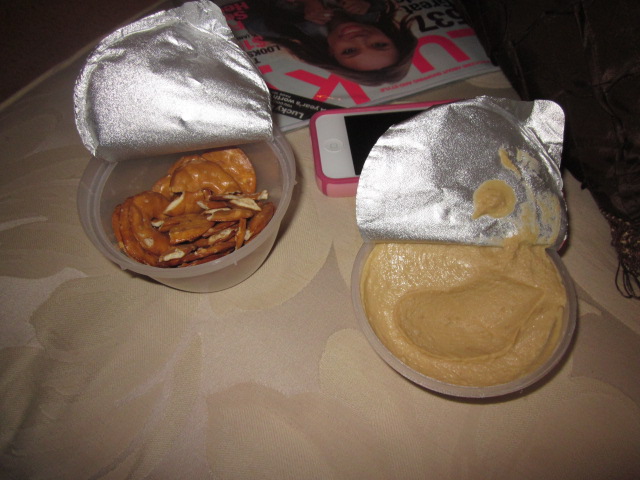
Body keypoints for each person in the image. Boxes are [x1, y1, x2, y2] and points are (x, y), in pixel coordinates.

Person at [243, 0, 418, 86]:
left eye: (349, 51)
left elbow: (252, 18)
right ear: (390, 37)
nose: (359, 39)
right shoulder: (376, 7)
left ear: (331, 53)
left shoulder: (287, 27)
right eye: (379, 45)